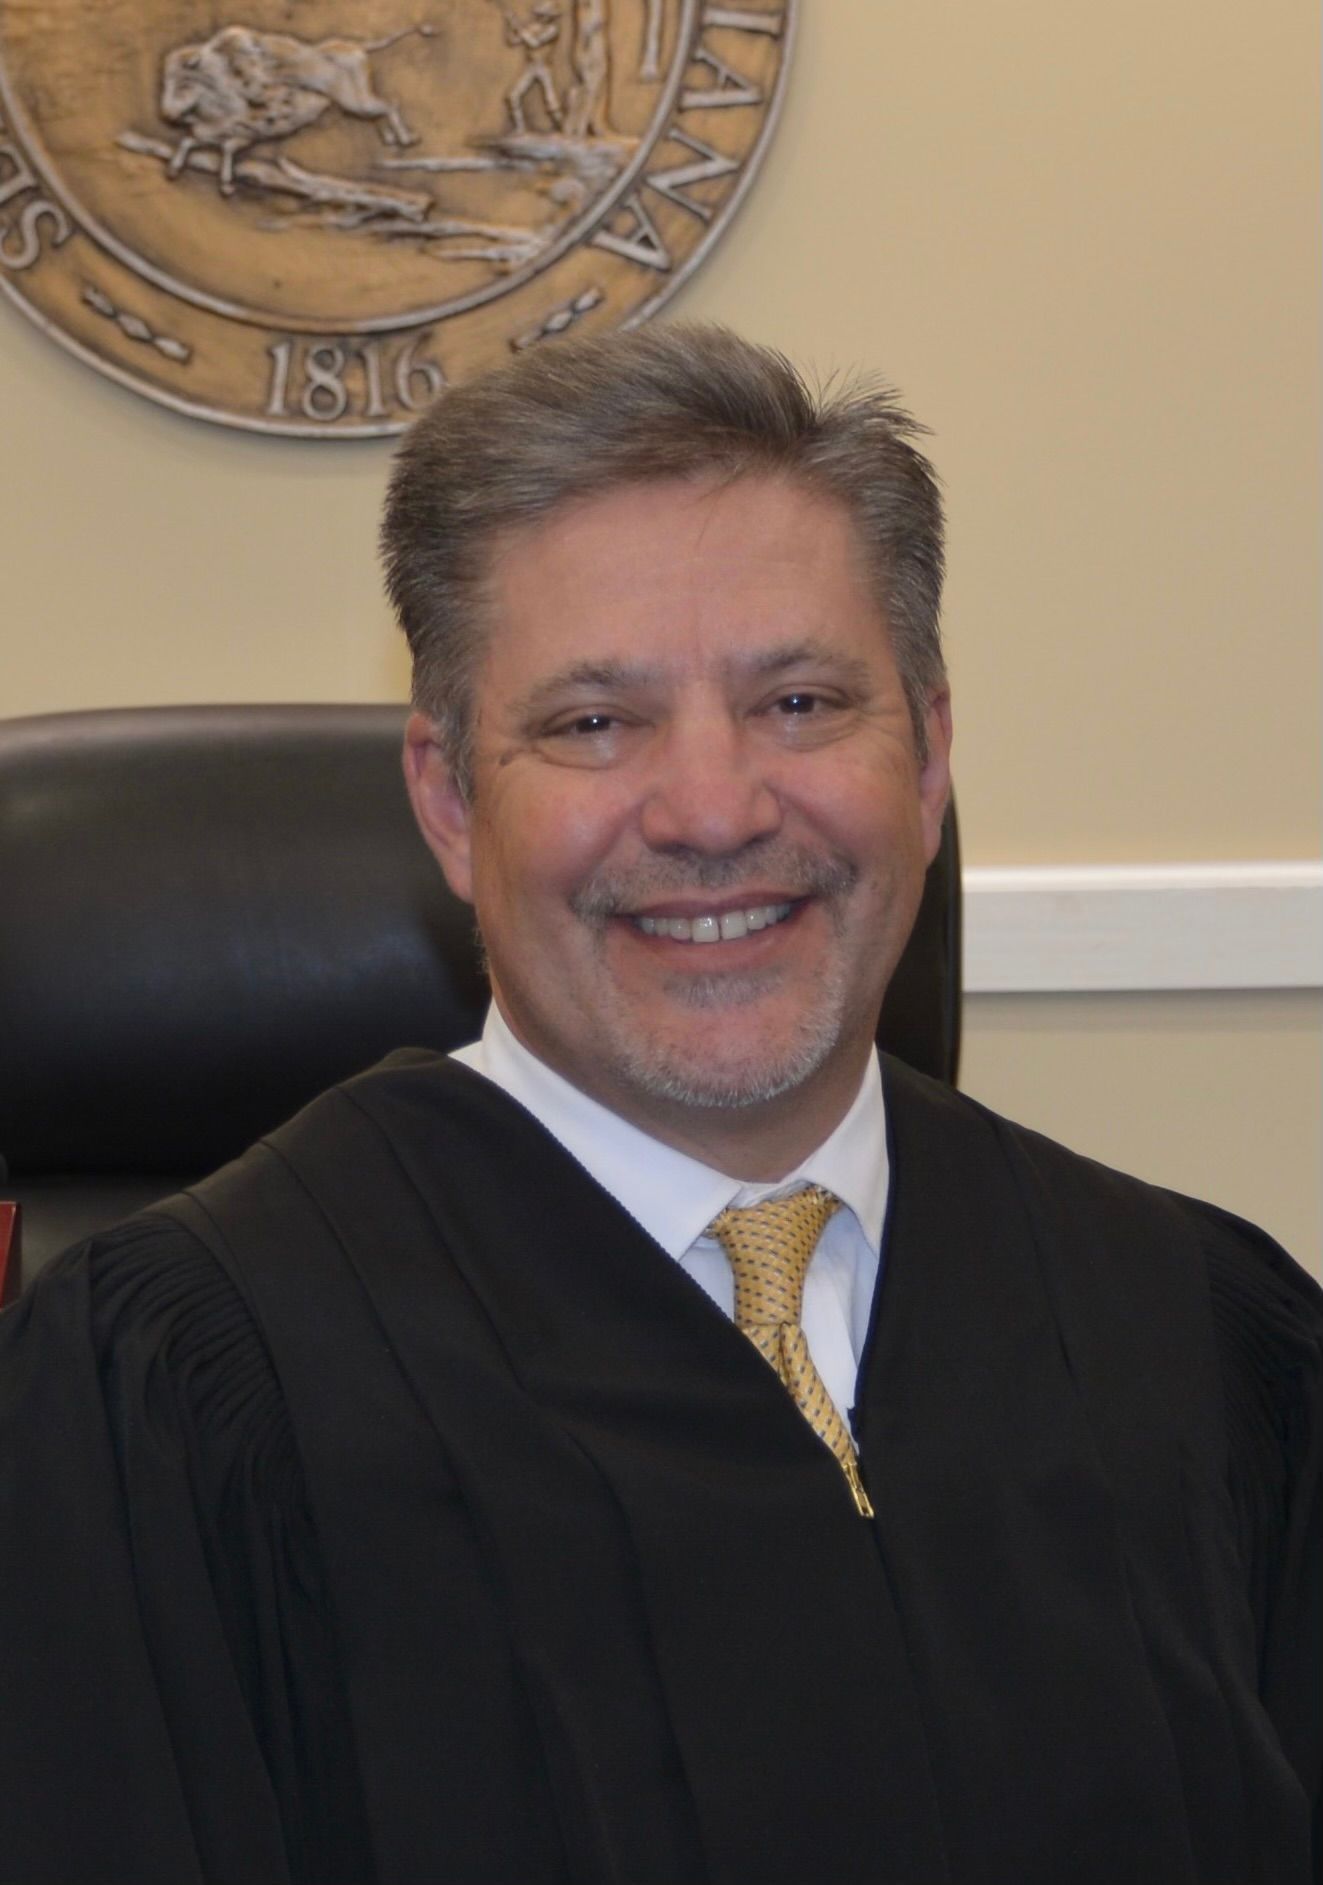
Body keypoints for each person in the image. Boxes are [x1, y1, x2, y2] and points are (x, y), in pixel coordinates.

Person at [1, 325, 1319, 1885]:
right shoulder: (179, 1397)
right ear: (446, 797)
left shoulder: (1200, 1332)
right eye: (593, 723)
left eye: (803, 702)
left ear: (933, 752)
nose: (713, 809)